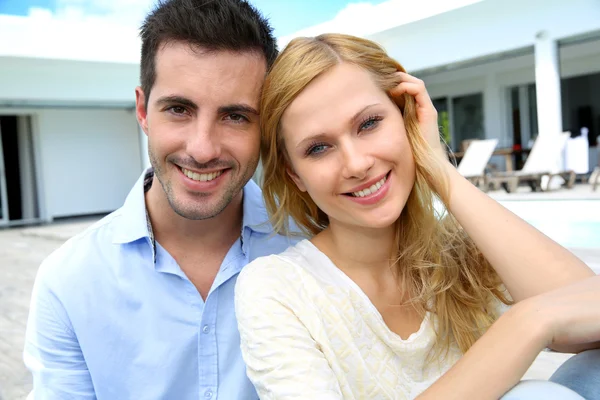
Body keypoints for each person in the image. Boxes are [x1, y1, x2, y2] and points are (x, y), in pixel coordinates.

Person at [234, 33, 600, 399]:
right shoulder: (277, 289)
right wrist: (527, 323)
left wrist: (440, 172)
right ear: (295, 175)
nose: (357, 164)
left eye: (369, 124)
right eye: (318, 148)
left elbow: (587, 319)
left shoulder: (461, 252)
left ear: (406, 118)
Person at [23, 1, 298, 398]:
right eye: (179, 109)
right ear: (142, 110)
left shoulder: (314, 246)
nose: (202, 149)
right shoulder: (69, 281)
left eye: (235, 116)